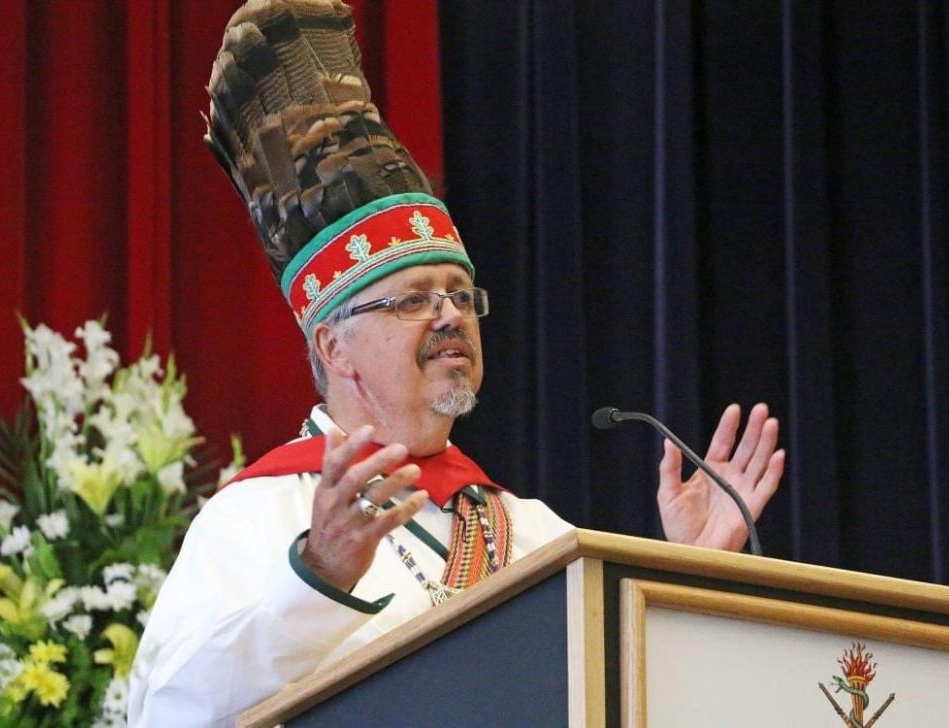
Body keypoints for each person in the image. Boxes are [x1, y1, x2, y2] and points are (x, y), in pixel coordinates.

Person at [127, 1, 783, 724]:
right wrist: (316, 576)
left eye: (461, 296)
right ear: (332, 345)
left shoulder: (537, 532)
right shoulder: (255, 518)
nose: (450, 316)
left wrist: (684, 582)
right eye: (412, 300)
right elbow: (169, 712)